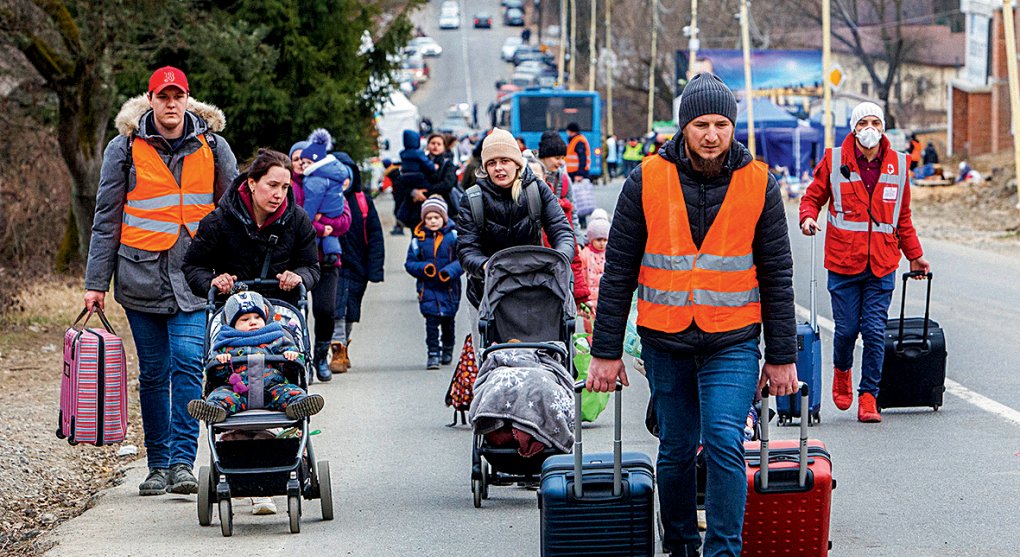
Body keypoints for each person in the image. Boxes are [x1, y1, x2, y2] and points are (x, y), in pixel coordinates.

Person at [584, 73, 799, 556]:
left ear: (733, 127)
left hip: (734, 339)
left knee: (724, 439)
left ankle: (723, 550)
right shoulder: (646, 179)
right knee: (677, 448)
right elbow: (617, 272)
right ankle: (680, 545)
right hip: (666, 340)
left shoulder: (759, 183)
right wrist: (605, 352)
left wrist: (782, 356)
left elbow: (776, 274)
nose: (711, 134)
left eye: (721, 124)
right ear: (683, 127)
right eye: (701, 123)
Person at [84, 66, 239, 497]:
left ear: (188, 100)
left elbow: (232, 216)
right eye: (163, 96)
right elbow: (106, 219)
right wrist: (95, 283)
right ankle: (157, 465)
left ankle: (183, 463)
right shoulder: (124, 148)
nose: (171, 104)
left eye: (178, 96)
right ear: (149, 100)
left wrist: (235, 272)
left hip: (195, 276)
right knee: (154, 373)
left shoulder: (214, 146)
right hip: (140, 277)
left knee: (188, 362)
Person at [799, 101, 931, 424]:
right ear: (854, 128)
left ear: (883, 128)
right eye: (863, 123)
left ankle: (868, 395)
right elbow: (812, 197)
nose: (870, 128)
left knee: (874, 332)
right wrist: (807, 218)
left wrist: (915, 256)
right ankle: (842, 371)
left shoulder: (899, 166)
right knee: (845, 331)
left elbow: (903, 219)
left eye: (875, 122)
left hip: (883, 264)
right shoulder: (833, 161)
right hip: (843, 262)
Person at [456, 128, 576, 349]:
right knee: (489, 358)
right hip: (487, 292)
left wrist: (560, 258)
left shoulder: (536, 190)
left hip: (536, 290)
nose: (499, 168)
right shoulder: (473, 199)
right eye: (492, 163)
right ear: (485, 167)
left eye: (505, 161)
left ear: (517, 163)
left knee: (544, 351)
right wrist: (485, 266)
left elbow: (562, 230)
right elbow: (466, 249)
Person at [183, 146, 319, 308]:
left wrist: (299, 277)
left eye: (284, 187)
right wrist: (213, 282)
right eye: (272, 185)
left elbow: (312, 267)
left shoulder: (298, 219)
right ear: (252, 183)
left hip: (282, 313)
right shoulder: (218, 220)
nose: (279, 195)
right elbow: (193, 266)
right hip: (232, 314)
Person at [186, 290, 325, 423]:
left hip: (273, 387)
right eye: (245, 319)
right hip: (236, 390)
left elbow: (295, 368)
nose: (253, 322)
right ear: (232, 324)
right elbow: (215, 376)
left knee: (291, 392)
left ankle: (298, 406)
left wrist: (291, 357)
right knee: (220, 395)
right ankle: (215, 409)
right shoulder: (225, 344)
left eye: (258, 317)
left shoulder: (277, 338)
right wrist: (220, 364)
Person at [329, 152, 385, 373]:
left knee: (349, 310)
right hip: (332, 265)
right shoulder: (325, 200)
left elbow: (375, 236)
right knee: (336, 309)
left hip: (357, 267)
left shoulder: (363, 202)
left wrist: (375, 269)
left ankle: (343, 346)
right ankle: (336, 350)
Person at [406, 196, 463, 369]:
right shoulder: (418, 240)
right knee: (431, 323)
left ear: (443, 218)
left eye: (436, 218)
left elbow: (463, 259)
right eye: (429, 218)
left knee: (448, 321)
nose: (432, 221)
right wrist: (424, 268)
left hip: (449, 287)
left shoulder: (454, 237)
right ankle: (433, 353)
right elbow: (410, 263)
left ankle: (447, 347)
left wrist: (449, 272)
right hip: (428, 287)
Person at [300, 129, 349, 266]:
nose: (303, 166)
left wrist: (307, 218)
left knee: (318, 235)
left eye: (306, 162)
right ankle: (333, 253)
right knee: (331, 234)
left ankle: (313, 255)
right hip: (335, 209)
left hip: (322, 211)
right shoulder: (332, 173)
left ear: (315, 161)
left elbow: (312, 201)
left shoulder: (314, 179)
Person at [396, 129, 437, 229]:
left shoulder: (403, 154)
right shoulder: (419, 154)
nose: (435, 146)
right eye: (433, 143)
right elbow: (429, 166)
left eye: (438, 144)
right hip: (419, 179)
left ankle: (401, 218)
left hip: (407, 179)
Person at [579, 209, 609, 333]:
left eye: (605, 240)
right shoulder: (585, 254)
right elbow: (580, 275)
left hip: (606, 299)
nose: (602, 243)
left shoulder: (610, 254)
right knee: (590, 330)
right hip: (590, 300)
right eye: (599, 239)